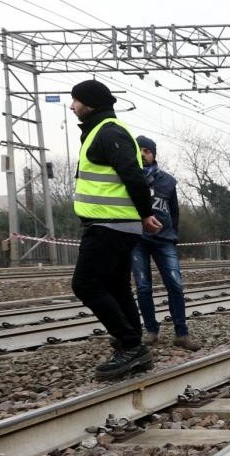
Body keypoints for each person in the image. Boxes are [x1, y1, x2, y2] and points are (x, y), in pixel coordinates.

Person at [69, 79, 161, 381]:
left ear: (91, 103)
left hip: (110, 224)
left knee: (85, 284)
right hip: (112, 224)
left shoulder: (109, 132)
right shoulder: (100, 131)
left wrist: (146, 214)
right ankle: (131, 343)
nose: (72, 106)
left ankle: (131, 344)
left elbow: (133, 176)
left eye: (76, 101)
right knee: (116, 286)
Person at [131, 136, 201, 350]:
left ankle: (182, 333)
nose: (143, 154)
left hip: (164, 239)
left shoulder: (168, 181)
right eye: (139, 150)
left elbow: (175, 211)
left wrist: (174, 235)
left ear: (153, 153)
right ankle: (151, 331)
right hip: (137, 239)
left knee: (175, 285)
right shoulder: (129, 179)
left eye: (147, 150)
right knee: (143, 287)